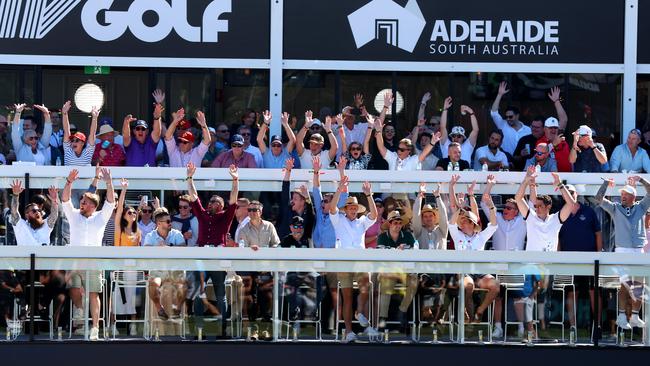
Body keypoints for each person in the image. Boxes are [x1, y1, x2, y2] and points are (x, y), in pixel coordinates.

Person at [62, 167, 116, 341]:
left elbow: (110, 202)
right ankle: (81, 313)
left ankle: (95, 328)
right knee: (74, 289)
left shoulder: (100, 217)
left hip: (93, 262)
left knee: (93, 294)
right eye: (81, 201)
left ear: (93, 206)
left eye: (84, 202)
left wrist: (108, 182)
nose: (81, 204)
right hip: (75, 261)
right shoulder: (74, 215)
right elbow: (65, 200)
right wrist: (69, 182)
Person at [594, 176, 650, 330]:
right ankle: (621, 316)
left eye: (626, 194)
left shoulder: (641, 207)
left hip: (638, 250)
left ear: (633, 197)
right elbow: (598, 198)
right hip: (622, 250)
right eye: (622, 194)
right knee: (624, 285)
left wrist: (642, 181)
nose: (622, 196)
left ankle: (635, 316)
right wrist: (605, 183)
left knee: (639, 285)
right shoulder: (615, 207)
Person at [329, 171, 379, 342]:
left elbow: (374, 215)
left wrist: (369, 194)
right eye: (350, 207)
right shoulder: (339, 220)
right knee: (347, 297)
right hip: (343, 262)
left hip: (360, 261)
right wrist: (338, 189)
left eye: (354, 208)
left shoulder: (362, 221)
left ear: (357, 210)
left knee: (367, 282)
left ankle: (359, 312)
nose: (352, 210)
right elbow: (332, 208)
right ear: (347, 209)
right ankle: (349, 331)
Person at [448, 174, 499, 322]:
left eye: (467, 221)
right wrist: (460, 206)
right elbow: (452, 223)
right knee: (468, 285)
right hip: (464, 271)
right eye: (462, 221)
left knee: (495, 285)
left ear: (473, 224)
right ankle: (469, 320)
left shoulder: (480, 236)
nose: (463, 223)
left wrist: (491, 206)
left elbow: (494, 225)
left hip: (480, 272)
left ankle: (479, 312)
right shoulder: (457, 234)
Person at [481, 175, 526, 338]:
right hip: (498, 265)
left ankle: (522, 327)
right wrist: (489, 185)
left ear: (516, 211)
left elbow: (530, 206)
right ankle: (498, 327)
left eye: (508, 208)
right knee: (498, 297)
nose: (504, 210)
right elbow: (484, 204)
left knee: (518, 297)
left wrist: (526, 182)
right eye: (505, 207)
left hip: (515, 266)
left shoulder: (523, 220)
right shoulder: (497, 218)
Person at [558, 184, 602, 329]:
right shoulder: (561, 213)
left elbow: (598, 233)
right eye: (567, 192)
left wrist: (598, 256)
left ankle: (598, 326)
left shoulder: (589, 211)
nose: (569, 195)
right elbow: (557, 237)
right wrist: (558, 258)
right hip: (569, 261)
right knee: (572, 292)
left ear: (576, 194)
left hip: (590, 261)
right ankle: (573, 327)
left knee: (593, 292)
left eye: (572, 192)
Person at [515, 167, 576, 252]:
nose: (537, 208)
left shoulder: (556, 219)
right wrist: (526, 181)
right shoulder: (531, 216)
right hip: (532, 263)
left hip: (550, 263)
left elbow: (571, 204)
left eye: (541, 206)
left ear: (549, 206)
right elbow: (518, 198)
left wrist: (560, 184)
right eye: (536, 206)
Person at [376, 210, 418, 333]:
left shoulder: (408, 236)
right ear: (389, 223)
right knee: (386, 282)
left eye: (400, 222)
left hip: (405, 271)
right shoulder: (382, 237)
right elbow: (381, 256)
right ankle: (382, 318)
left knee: (414, 281)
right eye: (395, 222)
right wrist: (396, 250)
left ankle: (402, 312)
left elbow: (413, 253)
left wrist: (394, 251)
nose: (398, 225)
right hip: (388, 271)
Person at [144, 208, 187, 320]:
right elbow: (146, 252)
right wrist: (157, 248)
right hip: (158, 268)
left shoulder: (176, 233)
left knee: (183, 285)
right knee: (153, 284)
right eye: (167, 221)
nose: (170, 223)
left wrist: (167, 248)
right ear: (159, 223)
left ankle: (177, 310)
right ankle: (159, 309)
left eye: (170, 221)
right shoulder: (150, 236)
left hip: (174, 268)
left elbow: (183, 248)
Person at [112, 178, 141, 335]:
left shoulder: (138, 232)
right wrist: (123, 190)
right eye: (129, 212)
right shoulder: (119, 229)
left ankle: (133, 325)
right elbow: (119, 208)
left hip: (133, 269)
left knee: (132, 297)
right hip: (119, 268)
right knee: (116, 297)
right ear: (123, 216)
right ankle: (113, 325)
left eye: (134, 212)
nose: (132, 214)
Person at [9, 180, 58, 246]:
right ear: (27, 215)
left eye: (39, 210)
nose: (38, 212)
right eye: (34, 211)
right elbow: (14, 211)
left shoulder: (46, 225)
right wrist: (15, 195)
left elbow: (54, 215)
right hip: (24, 256)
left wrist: (54, 201)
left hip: (43, 256)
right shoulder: (20, 225)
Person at [490, 81, 532, 155]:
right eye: (506, 117)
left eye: (510, 116)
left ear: (517, 116)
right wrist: (499, 95)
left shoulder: (528, 130)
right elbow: (494, 113)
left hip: (522, 162)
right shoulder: (502, 124)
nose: (508, 119)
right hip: (506, 161)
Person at [278, 158, 314, 239]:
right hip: (285, 249)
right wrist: (288, 171)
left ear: (302, 202)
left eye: (295, 199)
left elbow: (311, 212)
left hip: (303, 249)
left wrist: (307, 197)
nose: (292, 201)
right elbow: (285, 191)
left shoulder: (307, 215)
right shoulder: (287, 210)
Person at [440, 97, 479, 162]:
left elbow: (476, 130)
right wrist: (445, 109)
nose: (456, 138)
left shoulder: (467, 146)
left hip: (465, 172)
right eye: (453, 135)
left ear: (463, 138)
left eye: (459, 136)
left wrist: (471, 112)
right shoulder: (446, 145)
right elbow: (442, 127)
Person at [412, 182, 448, 250]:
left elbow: (443, 215)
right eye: (425, 216)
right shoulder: (419, 231)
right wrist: (420, 195)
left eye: (430, 215)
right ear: (422, 219)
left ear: (435, 217)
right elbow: (416, 213)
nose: (428, 218)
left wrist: (438, 196)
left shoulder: (442, 230)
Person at [61, 101, 98, 166]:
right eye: (72, 140)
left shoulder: (87, 153)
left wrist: (94, 117)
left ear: (83, 143)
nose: (74, 143)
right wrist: (64, 114)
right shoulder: (68, 151)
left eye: (77, 140)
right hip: (69, 177)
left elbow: (92, 134)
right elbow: (66, 131)